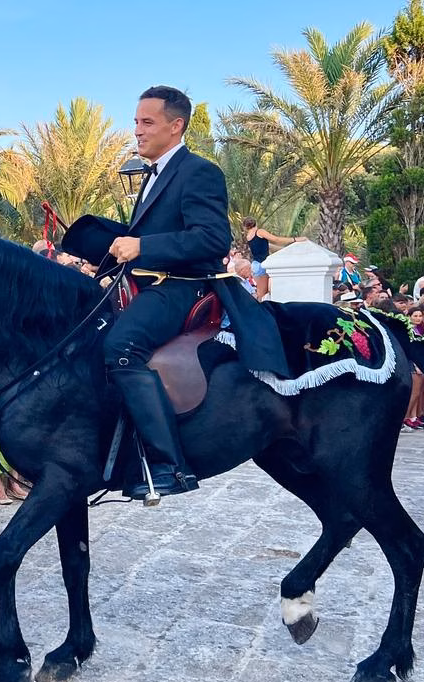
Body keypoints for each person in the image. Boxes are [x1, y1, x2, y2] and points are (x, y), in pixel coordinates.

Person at [102, 86, 288, 500]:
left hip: (181, 289)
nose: (137, 130)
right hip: (144, 286)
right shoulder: (152, 176)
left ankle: (169, 465)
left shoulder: (198, 171)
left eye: (147, 122)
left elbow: (212, 238)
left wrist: (143, 246)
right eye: (136, 122)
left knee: (121, 347)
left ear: (176, 125)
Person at [242, 217, 306, 300]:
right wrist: (295, 239)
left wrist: (286, 249)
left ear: (245, 227)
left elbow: (267, 246)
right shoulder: (259, 232)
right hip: (262, 265)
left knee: (264, 292)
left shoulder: (249, 236)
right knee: (262, 295)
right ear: (255, 223)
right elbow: (276, 239)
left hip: (256, 265)